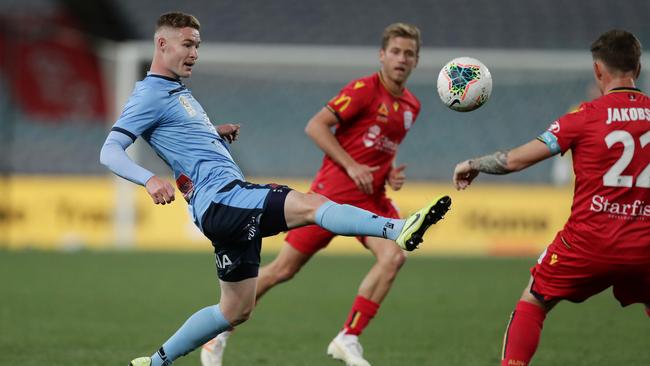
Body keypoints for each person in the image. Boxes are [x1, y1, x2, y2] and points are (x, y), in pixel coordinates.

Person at [99, 12, 451, 366]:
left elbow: (179, 140)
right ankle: (397, 228)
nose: (194, 53)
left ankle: (155, 363)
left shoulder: (177, 92)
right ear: (162, 44)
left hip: (218, 207)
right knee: (312, 204)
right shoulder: (149, 94)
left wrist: (213, 133)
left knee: (235, 310)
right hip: (224, 198)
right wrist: (149, 179)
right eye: (187, 44)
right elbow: (110, 150)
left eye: (197, 46)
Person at [201, 22, 425, 366]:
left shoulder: (412, 105)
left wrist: (388, 171)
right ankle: (218, 333)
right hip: (329, 198)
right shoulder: (364, 90)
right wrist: (351, 167)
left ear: (416, 61)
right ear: (382, 55)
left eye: (409, 53)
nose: (401, 58)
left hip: (371, 197)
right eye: (395, 51)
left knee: (395, 255)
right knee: (281, 271)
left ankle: (348, 337)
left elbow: (378, 146)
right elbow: (316, 126)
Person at [452, 29, 649, 366]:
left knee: (534, 299)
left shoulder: (583, 116)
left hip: (589, 242)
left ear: (598, 70)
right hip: (645, 244)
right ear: (638, 68)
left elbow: (514, 160)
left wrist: (473, 164)